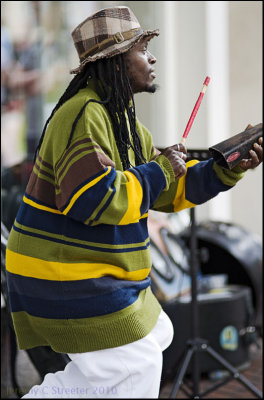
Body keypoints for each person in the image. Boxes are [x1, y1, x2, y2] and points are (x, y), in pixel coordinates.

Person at [6, 6, 262, 399]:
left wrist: (228, 167)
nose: (152, 57)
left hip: (90, 274)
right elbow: (93, 199)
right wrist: (159, 169)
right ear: (115, 62)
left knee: (155, 336)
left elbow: (168, 190)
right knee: (134, 363)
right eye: (143, 49)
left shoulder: (120, 120)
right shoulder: (83, 114)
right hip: (63, 276)